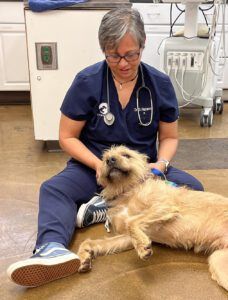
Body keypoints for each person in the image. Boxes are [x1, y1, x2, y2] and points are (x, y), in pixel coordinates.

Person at [7, 7, 204, 287]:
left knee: (193, 188)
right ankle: (52, 248)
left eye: (131, 54)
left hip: (141, 172)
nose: (123, 63)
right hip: (95, 167)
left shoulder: (159, 83)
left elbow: (170, 138)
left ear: (143, 46)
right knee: (53, 189)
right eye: (114, 56)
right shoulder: (87, 82)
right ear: (103, 50)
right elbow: (67, 136)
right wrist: (97, 165)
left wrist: (160, 166)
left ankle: (111, 209)